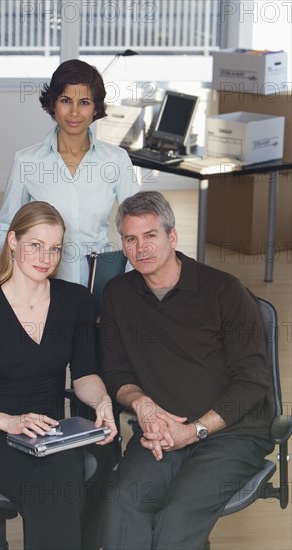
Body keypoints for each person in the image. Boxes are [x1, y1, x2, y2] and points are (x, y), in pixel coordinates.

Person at [0, 201, 118, 550]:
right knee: (54, 485)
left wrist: (104, 401)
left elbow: (85, 375)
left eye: (54, 248)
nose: (45, 257)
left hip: (47, 431)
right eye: (35, 245)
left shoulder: (75, 302)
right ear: (13, 242)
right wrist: (8, 422)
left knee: (96, 459)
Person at [100, 191, 274, 550]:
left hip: (232, 435)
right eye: (131, 240)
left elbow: (253, 382)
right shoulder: (119, 293)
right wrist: (143, 406)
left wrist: (194, 430)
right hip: (162, 433)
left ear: (172, 237)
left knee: (177, 519)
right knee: (122, 502)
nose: (141, 248)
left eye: (151, 236)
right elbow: (116, 373)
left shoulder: (224, 291)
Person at [0, 59, 139, 285]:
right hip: (42, 282)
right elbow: (5, 228)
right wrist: (23, 275)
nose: (74, 112)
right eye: (65, 100)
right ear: (53, 104)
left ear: (96, 108)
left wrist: (127, 282)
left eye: (84, 102)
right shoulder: (26, 161)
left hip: (96, 283)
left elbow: (139, 225)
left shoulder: (117, 161)